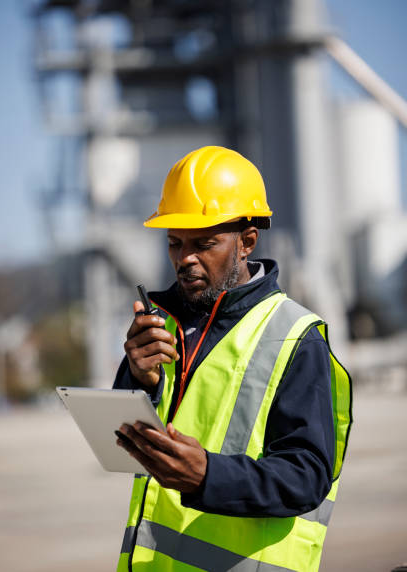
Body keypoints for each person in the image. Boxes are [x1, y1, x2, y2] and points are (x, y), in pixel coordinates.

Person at [113, 145, 352, 572]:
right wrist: (138, 380)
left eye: (204, 243)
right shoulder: (160, 324)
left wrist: (208, 476)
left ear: (246, 242)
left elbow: (307, 477)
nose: (184, 258)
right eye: (174, 242)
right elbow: (127, 445)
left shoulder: (295, 336)